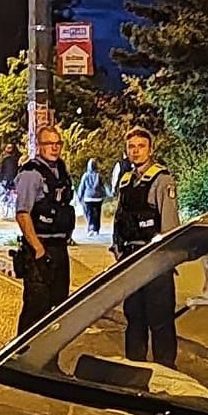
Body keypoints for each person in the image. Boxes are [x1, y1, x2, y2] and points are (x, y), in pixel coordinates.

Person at [113, 126, 182, 368]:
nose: (136, 151)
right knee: (134, 318)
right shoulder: (125, 182)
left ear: (151, 150)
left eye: (141, 146)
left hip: (155, 261)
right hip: (131, 260)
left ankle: (166, 371)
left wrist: (166, 260)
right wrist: (118, 252)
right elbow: (119, 220)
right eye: (132, 147)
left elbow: (170, 225)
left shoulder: (163, 181)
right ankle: (134, 370)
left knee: (160, 320)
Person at [12, 125, 75, 334]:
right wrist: (38, 249)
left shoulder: (60, 171)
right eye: (49, 143)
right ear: (39, 146)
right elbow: (22, 213)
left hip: (59, 248)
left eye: (57, 143)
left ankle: (48, 362)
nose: (54, 148)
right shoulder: (31, 174)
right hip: (40, 248)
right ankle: (23, 360)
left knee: (58, 309)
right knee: (36, 310)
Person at [76, 157, 105, 237]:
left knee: (89, 214)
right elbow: (102, 186)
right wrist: (105, 195)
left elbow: (82, 186)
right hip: (98, 197)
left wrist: (79, 196)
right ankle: (96, 229)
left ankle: (90, 228)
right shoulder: (98, 175)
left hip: (88, 197)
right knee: (97, 213)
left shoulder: (85, 175)